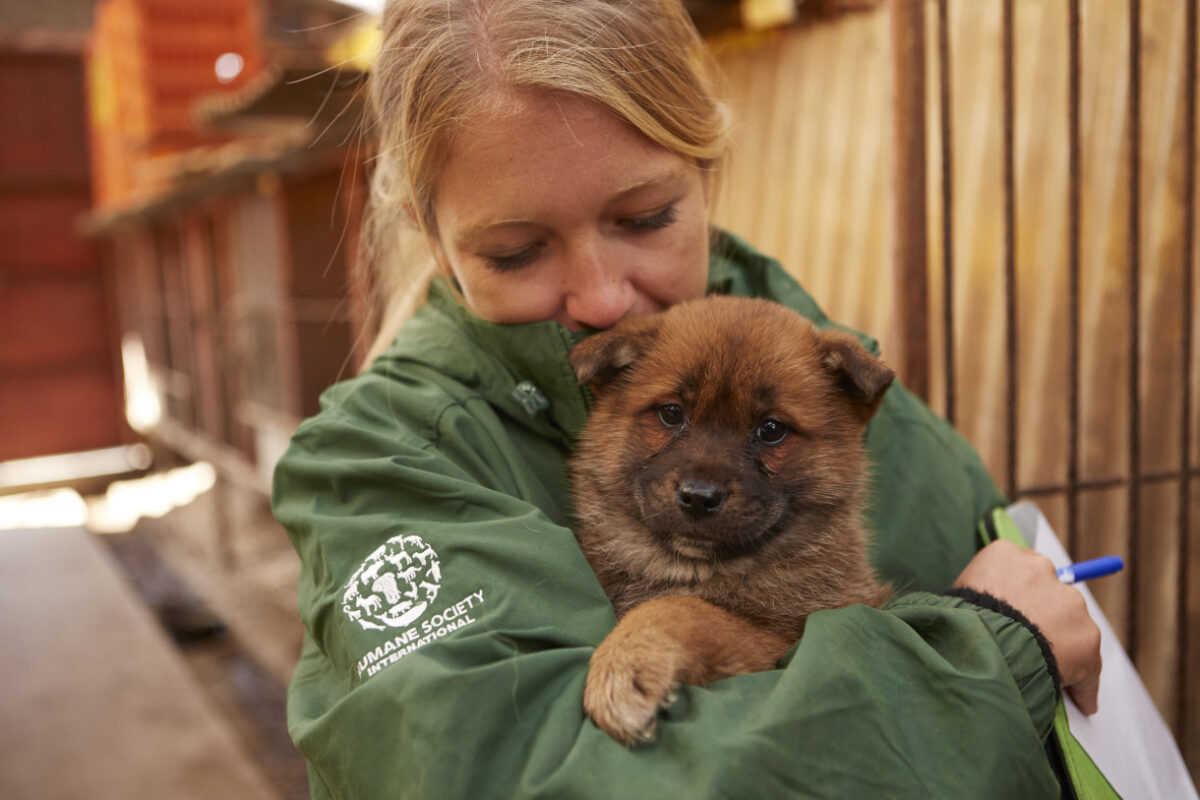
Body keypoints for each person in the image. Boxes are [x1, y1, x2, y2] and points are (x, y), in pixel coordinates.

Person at [271, 0, 1102, 796]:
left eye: (644, 218)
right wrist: (987, 658)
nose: (599, 299)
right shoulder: (380, 463)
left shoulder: (846, 384)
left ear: (706, 169)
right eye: (518, 252)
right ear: (435, 237)